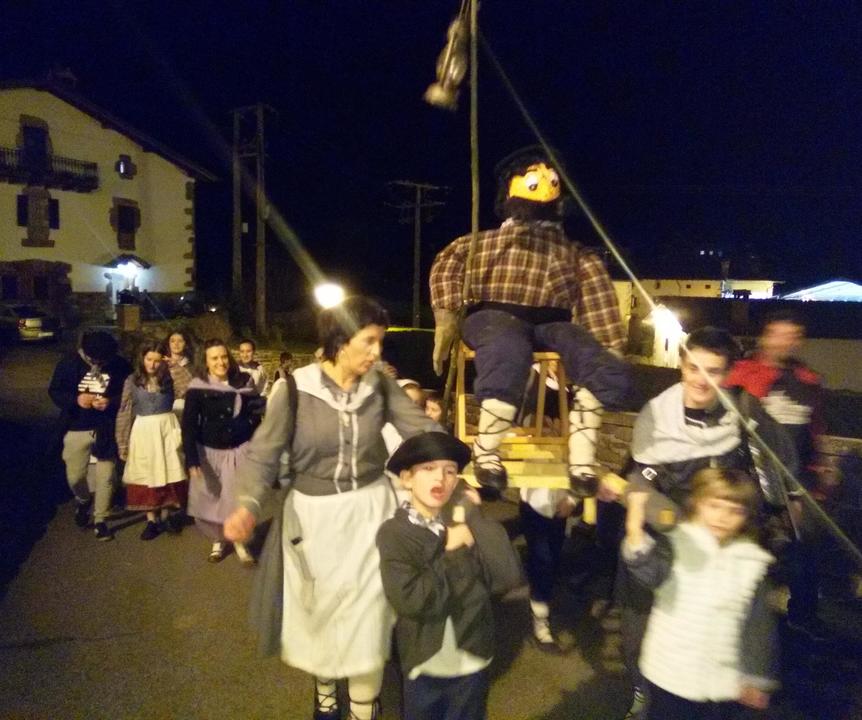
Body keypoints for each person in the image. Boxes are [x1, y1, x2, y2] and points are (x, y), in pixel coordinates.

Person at [223, 296, 440, 720]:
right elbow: (264, 455)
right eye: (370, 341)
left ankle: (363, 707)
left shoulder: (380, 386)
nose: (378, 352)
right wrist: (248, 504)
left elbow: (422, 430)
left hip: (371, 514)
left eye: (380, 342)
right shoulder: (293, 390)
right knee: (319, 611)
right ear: (340, 340)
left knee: (368, 614)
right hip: (313, 519)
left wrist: (455, 466)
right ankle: (325, 692)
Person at [602, 326, 795, 719]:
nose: (701, 380)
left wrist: (790, 501)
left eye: (714, 371)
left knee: (719, 627)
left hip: (720, 546)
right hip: (662, 540)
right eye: (693, 368)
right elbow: (641, 476)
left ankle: (705, 695)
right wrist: (640, 500)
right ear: (682, 366)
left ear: (728, 372)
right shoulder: (657, 414)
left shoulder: (744, 412)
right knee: (640, 631)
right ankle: (645, 693)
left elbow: (780, 465)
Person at [430, 145, 630, 497]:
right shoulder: (480, 244)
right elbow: (448, 263)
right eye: (533, 181)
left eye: (552, 181)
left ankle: (582, 458)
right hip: (494, 314)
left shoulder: (574, 253)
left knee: (593, 356)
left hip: (553, 321)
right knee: (506, 347)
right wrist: (446, 318)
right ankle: (487, 450)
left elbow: (596, 294)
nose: (545, 188)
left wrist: (610, 346)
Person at [377, 432, 523, 720]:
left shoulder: (466, 524)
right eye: (428, 468)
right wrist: (455, 553)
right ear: (407, 479)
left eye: (450, 471)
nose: (440, 478)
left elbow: (507, 576)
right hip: (425, 664)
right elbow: (413, 600)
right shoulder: (395, 534)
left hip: (472, 661)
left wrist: (475, 516)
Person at [622, 468, 778, 719]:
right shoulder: (678, 544)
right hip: (669, 671)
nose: (723, 517)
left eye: (735, 511)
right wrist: (634, 526)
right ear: (697, 504)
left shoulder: (750, 562)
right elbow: (649, 570)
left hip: (719, 679)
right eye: (714, 506)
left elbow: (758, 625)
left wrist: (754, 676)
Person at [725, 310, 826, 639]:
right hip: (749, 478)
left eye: (792, 335)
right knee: (744, 548)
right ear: (766, 335)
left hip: (797, 481)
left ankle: (803, 617)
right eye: (778, 334)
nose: (784, 342)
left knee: (805, 549)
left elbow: (814, 431)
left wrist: (816, 475)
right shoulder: (741, 374)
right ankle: (737, 618)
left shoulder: (809, 381)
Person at [181, 339, 264, 564]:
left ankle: (239, 541)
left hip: (240, 450)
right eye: (214, 358)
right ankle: (218, 539)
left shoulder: (244, 381)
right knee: (213, 500)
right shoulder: (198, 386)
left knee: (237, 499)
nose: (221, 362)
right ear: (206, 362)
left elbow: (256, 412)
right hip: (210, 453)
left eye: (224, 356)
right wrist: (191, 459)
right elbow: (189, 424)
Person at [48, 330, 131, 541]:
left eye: (104, 360)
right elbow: (55, 391)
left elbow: (129, 392)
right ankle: (83, 500)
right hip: (77, 425)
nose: (100, 363)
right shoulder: (69, 363)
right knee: (75, 476)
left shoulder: (119, 364)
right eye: (96, 360)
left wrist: (111, 401)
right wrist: (76, 400)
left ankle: (101, 520)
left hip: (106, 426)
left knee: (106, 476)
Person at [115, 342, 188, 540]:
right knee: (147, 473)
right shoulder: (132, 380)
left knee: (167, 471)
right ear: (142, 358)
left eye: (157, 361)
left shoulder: (170, 378)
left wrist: (173, 365)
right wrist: (122, 441)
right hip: (144, 430)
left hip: (166, 428)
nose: (152, 365)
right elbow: (124, 411)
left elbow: (188, 386)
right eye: (149, 359)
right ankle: (151, 520)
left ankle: (165, 516)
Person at [161, 329, 194, 414]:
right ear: (168, 344)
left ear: (185, 343)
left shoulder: (192, 365)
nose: (176, 344)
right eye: (172, 341)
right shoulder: (162, 364)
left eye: (180, 341)